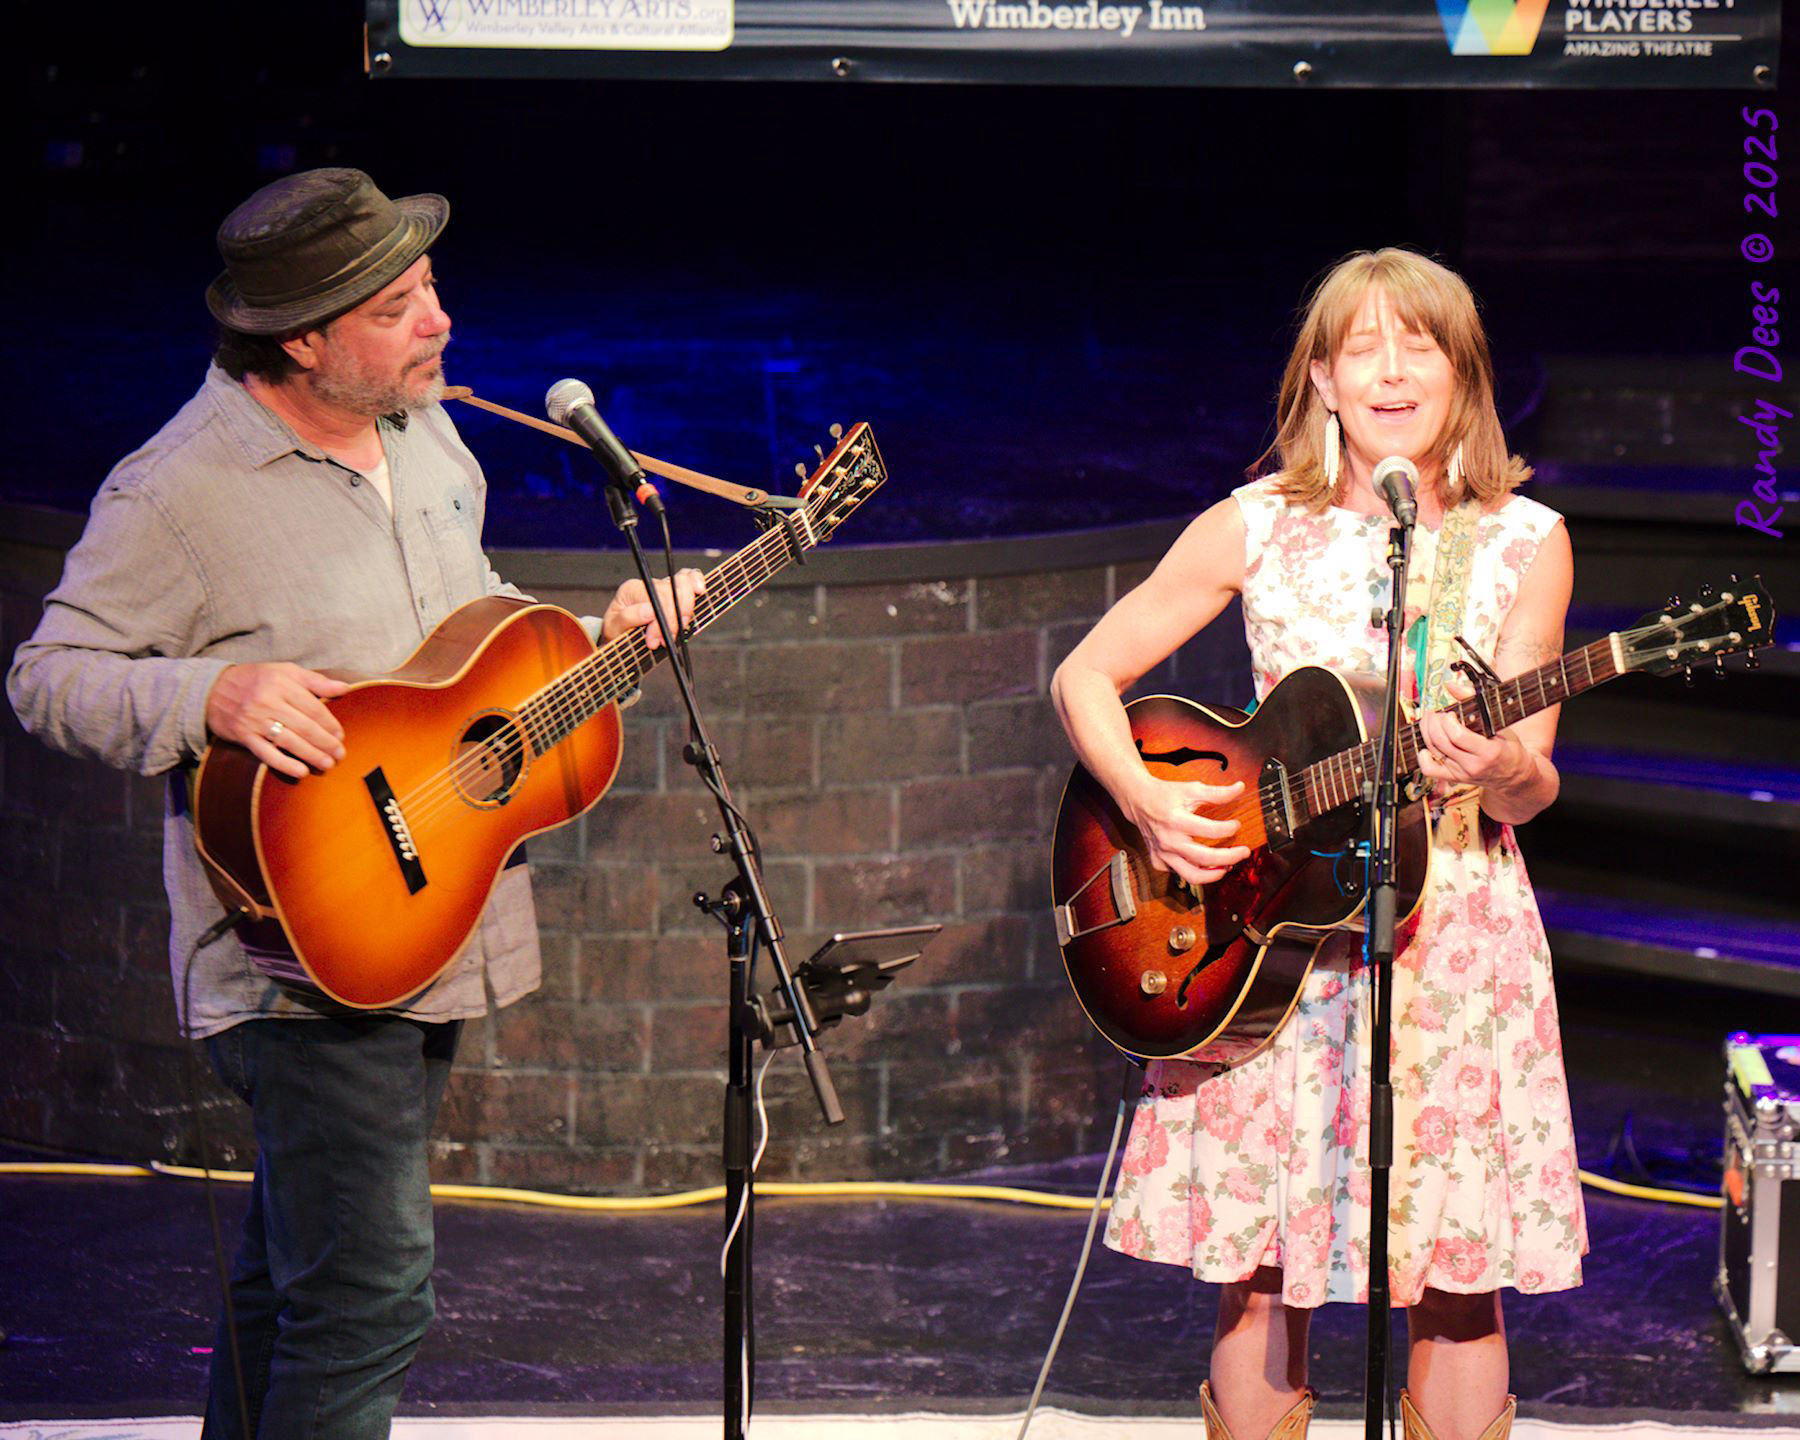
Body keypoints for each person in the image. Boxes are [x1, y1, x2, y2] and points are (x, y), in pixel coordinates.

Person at [7, 168, 702, 1438]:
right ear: (302, 342)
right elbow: (47, 677)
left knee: (296, 1284)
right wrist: (211, 694)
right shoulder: (176, 492)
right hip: (296, 957)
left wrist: (610, 647)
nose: (436, 322)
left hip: (421, 918)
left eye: (429, 286)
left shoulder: (425, 431)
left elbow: (463, 646)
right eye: (394, 308)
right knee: (373, 1297)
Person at [1051, 249, 1585, 1440]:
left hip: (1454, 940)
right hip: (1268, 938)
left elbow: (1531, 785)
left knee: (1457, 1276)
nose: (1392, 372)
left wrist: (1500, 766)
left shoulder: (1526, 540)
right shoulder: (1252, 526)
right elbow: (1087, 674)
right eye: (1362, 348)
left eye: (1421, 347)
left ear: (1463, 376)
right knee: (1260, 1269)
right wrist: (1144, 799)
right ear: (1324, 379)